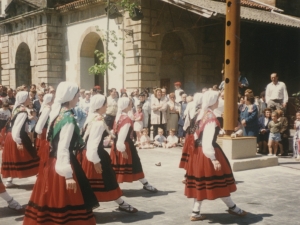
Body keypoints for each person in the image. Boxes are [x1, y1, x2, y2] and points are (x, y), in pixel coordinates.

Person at [23, 81, 99, 225]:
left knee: (49, 197)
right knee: (66, 201)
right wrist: (68, 175)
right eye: (77, 95)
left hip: (52, 163)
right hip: (63, 163)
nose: (78, 98)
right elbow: (63, 147)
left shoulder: (58, 112)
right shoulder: (68, 119)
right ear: (71, 97)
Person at [184, 90, 246, 221]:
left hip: (198, 153)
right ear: (213, 101)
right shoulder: (211, 118)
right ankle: (233, 208)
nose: (219, 101)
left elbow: (194, 135)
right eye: (218, 99)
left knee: (201, 183)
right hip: (208, 152)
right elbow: (207, 141)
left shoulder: (200, 114)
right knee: (220, 181)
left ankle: (196, 212)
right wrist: (213, 159)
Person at [81, 94, 137, 213]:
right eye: (105, 104)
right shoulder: (98, 121)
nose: (107, 106)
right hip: (94, 154)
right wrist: (95, 160)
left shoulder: (92, 116)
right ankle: (120, 203)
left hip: (87, 154)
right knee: (107, 180)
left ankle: (120, 203)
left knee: (95, 181)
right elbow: (92, 143)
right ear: (100, 105)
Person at [110, 97, 157, 192]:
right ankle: (145, 184)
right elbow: (122, 136)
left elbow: (115, 132)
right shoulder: (126, 119)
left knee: (118, 166)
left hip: (116, 146)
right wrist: (122, 150)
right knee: (135, 164)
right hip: (125, 145)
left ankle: (144, 183)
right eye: (130, 104)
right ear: (126, 106)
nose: (131, 105)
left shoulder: (118, 116)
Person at [1, 91, 39, 188]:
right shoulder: (23, 111)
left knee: (13, 158)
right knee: (31, 155)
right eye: (28, 98)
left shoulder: (17, 108)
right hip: (17, 136)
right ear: (24, 99)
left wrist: (32, 118)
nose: (30, 99)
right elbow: (17, 128)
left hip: (10, 135)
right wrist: (18, 141)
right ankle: (39, 176)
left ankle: (9, 180)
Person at [35, 93, 54, 175]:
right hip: (45, 131)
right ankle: (42, 169)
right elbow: (41, 121)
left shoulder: (46, 107)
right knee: (45, 150)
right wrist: (39, 131)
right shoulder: (47, 109)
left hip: (44, 130)